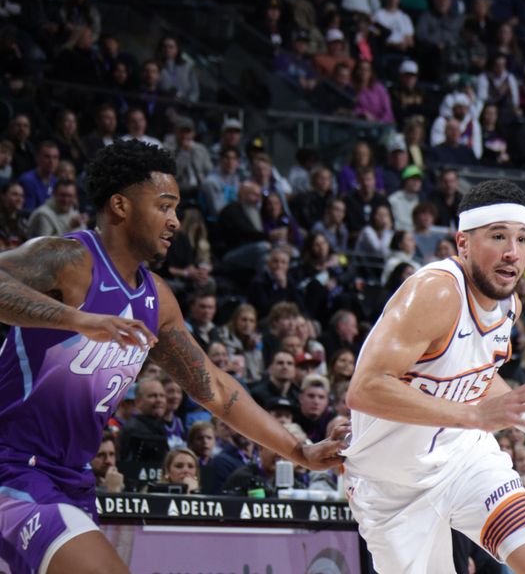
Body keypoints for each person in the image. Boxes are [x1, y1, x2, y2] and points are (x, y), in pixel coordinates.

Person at [0, 140, 346, 574]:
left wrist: (301, 451)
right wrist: (77, 319)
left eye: (177, 209)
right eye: (164, 206)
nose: (175, 221)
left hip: (73, 478)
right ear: (121, 205)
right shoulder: (69, 258)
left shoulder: (156, 300)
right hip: (13, 467)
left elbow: (216, 390)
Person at [344, 179, 525, 573]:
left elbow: (477, 375)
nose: (512, 253)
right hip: (392, 488)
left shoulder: (508, 305)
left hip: (466, 460)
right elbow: (365, 389)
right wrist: (476, 417)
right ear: (462, 243)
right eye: (498, 236)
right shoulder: (437, 292)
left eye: (521, 239)